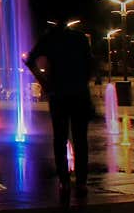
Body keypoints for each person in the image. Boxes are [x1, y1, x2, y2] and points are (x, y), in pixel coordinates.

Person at [25, 14, 95, 199]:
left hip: (58, 94)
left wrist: (44, 82)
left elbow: (30, 60)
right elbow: (90, 63)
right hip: (79, 93)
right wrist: (83, 81)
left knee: (60, 138)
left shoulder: (49, 38)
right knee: (80, 139)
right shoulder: (79, 38)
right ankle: (81, 182)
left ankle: (64, 180)